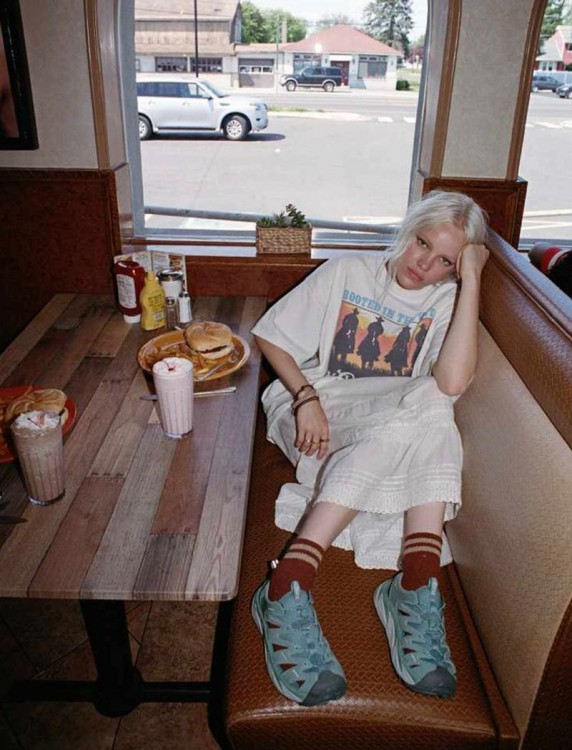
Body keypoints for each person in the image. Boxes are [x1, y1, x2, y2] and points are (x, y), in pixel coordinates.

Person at [250, 190, 490, 707]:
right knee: (424, 410)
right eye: (421, 243)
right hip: (312, 410)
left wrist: (471, 280)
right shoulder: (349, 271)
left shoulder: (446, 300)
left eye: (445, 261)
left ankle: (383, 584)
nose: (424, 265)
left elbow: (452, 381)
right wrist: (306, 398)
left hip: (385, 419)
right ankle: (297, 585)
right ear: (408, 229)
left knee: (434, 402)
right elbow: (271, 337)